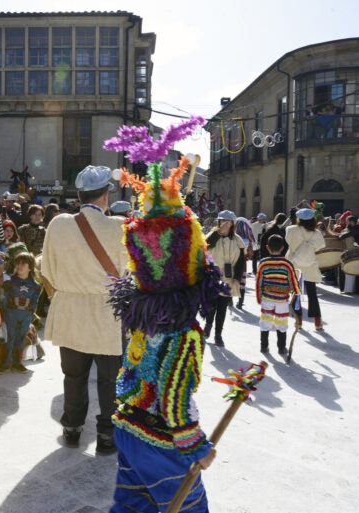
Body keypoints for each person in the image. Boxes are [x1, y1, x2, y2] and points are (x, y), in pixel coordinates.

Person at [105, 149, 223, 513]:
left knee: (131, 504)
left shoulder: (141, 317)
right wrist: (198, 448)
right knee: (189, 508)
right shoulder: (184, 334)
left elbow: (129, 374)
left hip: (126, 426)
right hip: (161, 441)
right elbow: (174, 400)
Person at [41, 165, 127, 455]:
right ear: (106, 194)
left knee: (73, 375)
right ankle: (106, 435)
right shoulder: (120, 227)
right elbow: (130, 276)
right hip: (107, 313)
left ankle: (72, 428)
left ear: (78, 195)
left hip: (69, 310)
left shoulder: (58, 223)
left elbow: (47, 271)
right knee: (109, 379)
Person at [204, 210, 246, 346]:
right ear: (219, 222)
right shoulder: (213, 235)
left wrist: (237, 278)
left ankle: (218, 334)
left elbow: (241, 261)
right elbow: (205, 247)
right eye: (223, 221)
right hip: (214, 277)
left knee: (222, 307)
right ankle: (208, 326)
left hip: (229, 278)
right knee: (212, 306)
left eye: (228, 222)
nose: (226, 224)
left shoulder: (238, 240)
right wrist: (218, 233)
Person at [256, 234, 301, 354]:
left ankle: (264, 346)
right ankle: (281, 347)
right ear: (282, 248)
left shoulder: (263, 263)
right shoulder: (287, 264)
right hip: (282, 299)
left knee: (265, 321)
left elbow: (259, 281)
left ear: (267, 247)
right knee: (281, 321)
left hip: (267, 297)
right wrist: (296, 292)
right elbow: (293, 280)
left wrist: (259, 297)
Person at [0, 252, 41, 374]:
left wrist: (31, 315)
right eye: (17, 263)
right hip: (10, 315)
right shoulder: (9, 283)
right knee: (9, 338)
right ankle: (5, 363)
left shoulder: (36, 286)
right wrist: (3, 315)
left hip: (26, 316)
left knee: (21, 338)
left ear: (30, 267)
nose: (19, 266)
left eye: (23, 264)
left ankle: (17, 362)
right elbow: (3, 300)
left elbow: (35, 302)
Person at [286, 208, 326, 330]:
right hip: (310, 267)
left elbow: (288, 241)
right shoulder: (317, 233)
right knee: (313, 294)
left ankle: (298, 322)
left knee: (296, 294)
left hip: (295, 266)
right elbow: (320, 247)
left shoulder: (291, 230)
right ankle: (318, 322)